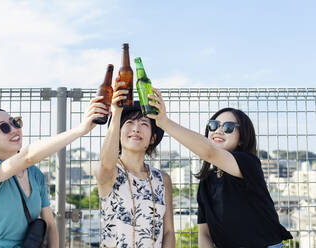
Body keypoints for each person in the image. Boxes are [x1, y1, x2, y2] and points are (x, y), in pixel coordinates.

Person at [147, 88, 293, 248]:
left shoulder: (249, 163)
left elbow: (209, 152)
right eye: (214, 125)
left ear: (242, 138)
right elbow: (204, 233)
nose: (218, 130)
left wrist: (164, 122)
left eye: (228, 127)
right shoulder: (206, 182)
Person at [0, 96, 107, 248]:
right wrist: (80, 130)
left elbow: (50, 224)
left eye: (15, 122)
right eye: (3, 127)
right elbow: (27, 156)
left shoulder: (34, 174)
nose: (14, 129)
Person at [94, 86, 175, 248]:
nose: (136, 128)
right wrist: (116, 112)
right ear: (118, 133)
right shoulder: (110, 172)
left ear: (152, 138)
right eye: (129, 122)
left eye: (144, 123)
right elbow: (106, 164)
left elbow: (168, 232)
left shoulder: (163, 179)